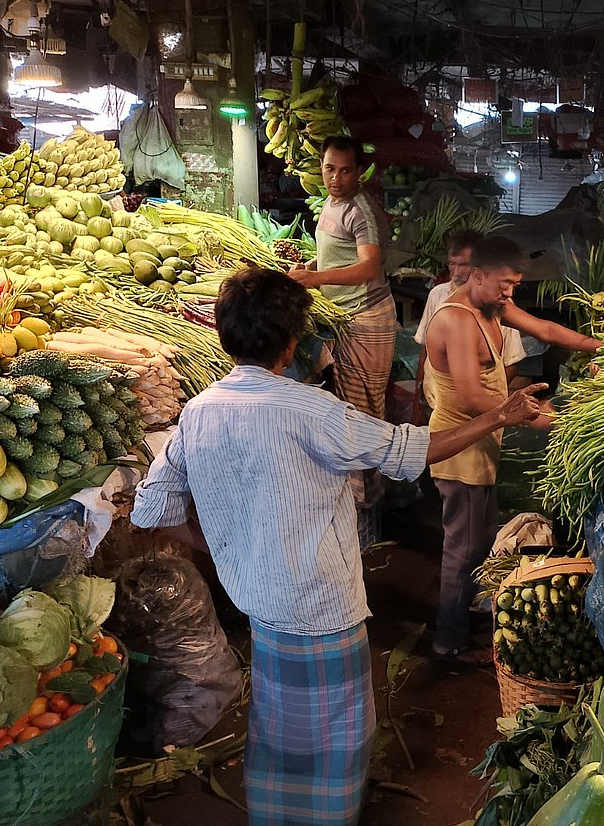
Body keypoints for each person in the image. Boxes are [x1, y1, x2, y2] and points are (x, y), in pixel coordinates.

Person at [130, 267, 545, 826]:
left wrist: (227, 546)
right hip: (320, 604)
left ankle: (275, 815)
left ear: (224, 335)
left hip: (260, 603)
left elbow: (151, 510)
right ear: (291, 343)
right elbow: (407, 449)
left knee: (277, 724)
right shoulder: (310, 410)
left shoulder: (198, 413)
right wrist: (500, 414)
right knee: (335, 731)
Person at [423, 235, 599, 664]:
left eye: (515, 285)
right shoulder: (457, 320)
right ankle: (448, 642)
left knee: (480, 538)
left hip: (483, 443)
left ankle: (463, 616)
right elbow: (470, 397)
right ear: (477, 275)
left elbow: (546, 330)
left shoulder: (491, 306)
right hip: (459, 448)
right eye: (504, 283)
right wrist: (537, 417)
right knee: (463, 547)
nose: (509, 292)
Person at [289, 135, 395, 529]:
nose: (335, 178)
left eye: (345, 170)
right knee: (353, 409)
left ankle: (368, 510)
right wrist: (311, 266)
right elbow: (339, 255)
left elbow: (368, 267)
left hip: (367, 319)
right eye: (329, 168)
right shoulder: (332, 204)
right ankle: (364, 501)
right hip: (345, 317)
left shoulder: (360, 209)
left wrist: (315, 279)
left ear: (359, 172)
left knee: (364, 411)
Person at [412, 229, 526, 423]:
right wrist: (418, 400)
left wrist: (489, 407)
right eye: (452, 264)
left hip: (477, 412)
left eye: (463, 265)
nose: (456, 272)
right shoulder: (438, 295)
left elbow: (511, 363)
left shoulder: (499, 304)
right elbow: (425, 349)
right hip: (437, 404)